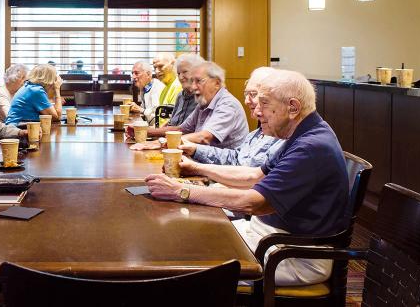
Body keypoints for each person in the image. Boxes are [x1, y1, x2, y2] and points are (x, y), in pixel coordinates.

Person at [145, 69, 349, 287]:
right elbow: (254, 175)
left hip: (294, 255)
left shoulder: (311, 146)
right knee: (185, 235)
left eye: (264, 103)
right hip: (267, 236)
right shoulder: (302, 133)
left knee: (187, 266)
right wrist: (197, 169)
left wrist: (182, 191)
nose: (256, 113)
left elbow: (254, 203)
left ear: (293, 107)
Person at [179, 67, 284, 168]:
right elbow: (236, 158)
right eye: (246, 94)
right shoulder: (256, 133)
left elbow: (252, 177)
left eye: (253, 94)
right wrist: (195, 149)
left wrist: (197, 168)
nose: (246, 101)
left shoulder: (285, 138)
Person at [130, 61, 248, 149]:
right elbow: (182, 129)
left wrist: (160, 142)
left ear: (216, 83)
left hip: (222, 171)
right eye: (193, 81)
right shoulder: (204, 103)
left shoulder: (227, 104)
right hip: (203, 162)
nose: (194, 86)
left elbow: (204, 137)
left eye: (199, 81)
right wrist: (143, 131)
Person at [167, 53, 203, 127]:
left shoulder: (203, 97)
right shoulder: (180, 96)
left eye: (185, 72)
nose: (180, 77)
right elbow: (171, 123)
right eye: (178, 73)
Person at [153, 53, 181, 126]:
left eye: (160, 66)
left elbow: (173, 121)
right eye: (154, 68)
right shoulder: (165, 87)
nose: (156, 71)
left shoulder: (178, 86)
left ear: (173, 64)